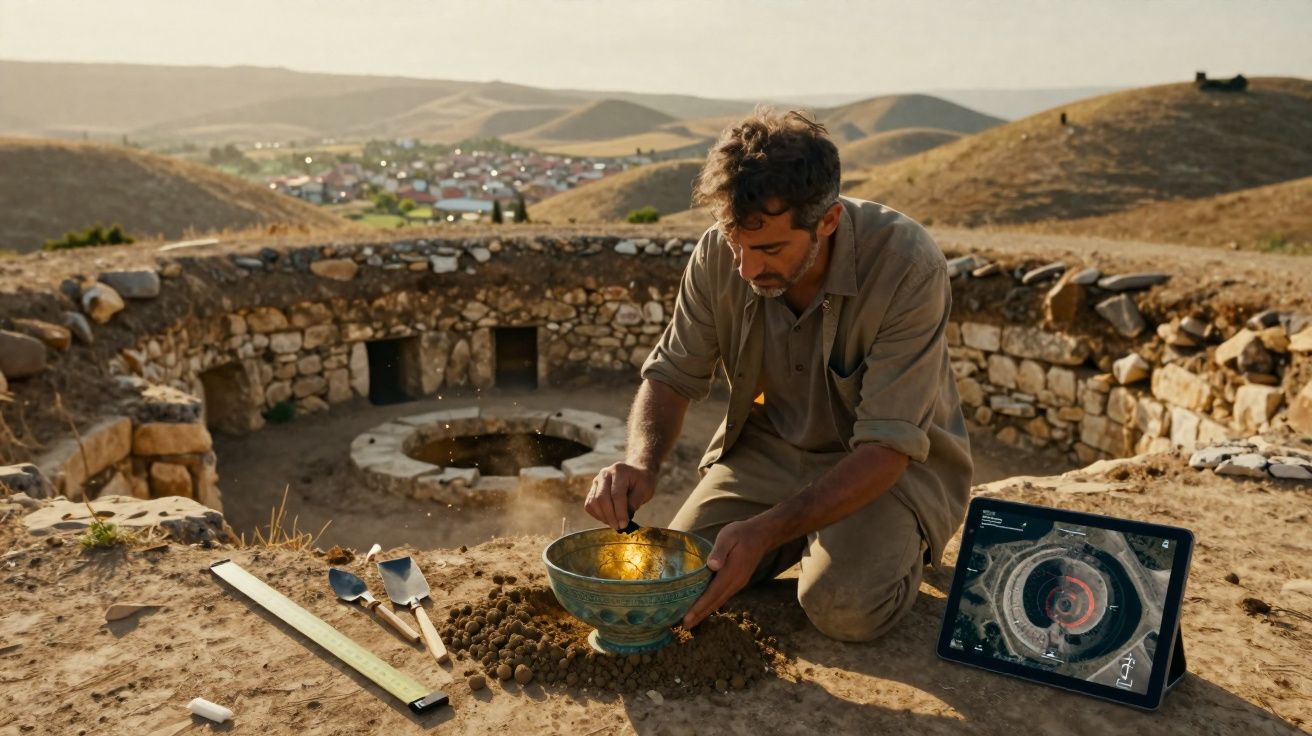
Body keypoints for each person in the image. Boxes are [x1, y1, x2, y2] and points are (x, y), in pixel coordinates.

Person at [584, 109, 972, 642]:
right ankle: (804, 541)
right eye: (736, 244)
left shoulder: (906, 265)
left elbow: (886, 448)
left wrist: (767, 531)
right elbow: (672, 374)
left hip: (882, 469)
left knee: (845, 607)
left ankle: (878, 545)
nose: (745, 268)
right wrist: (640, 462)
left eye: (768, 249)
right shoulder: (721, 253)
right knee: (673, 583)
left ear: (828, 221)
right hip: (766, 451)